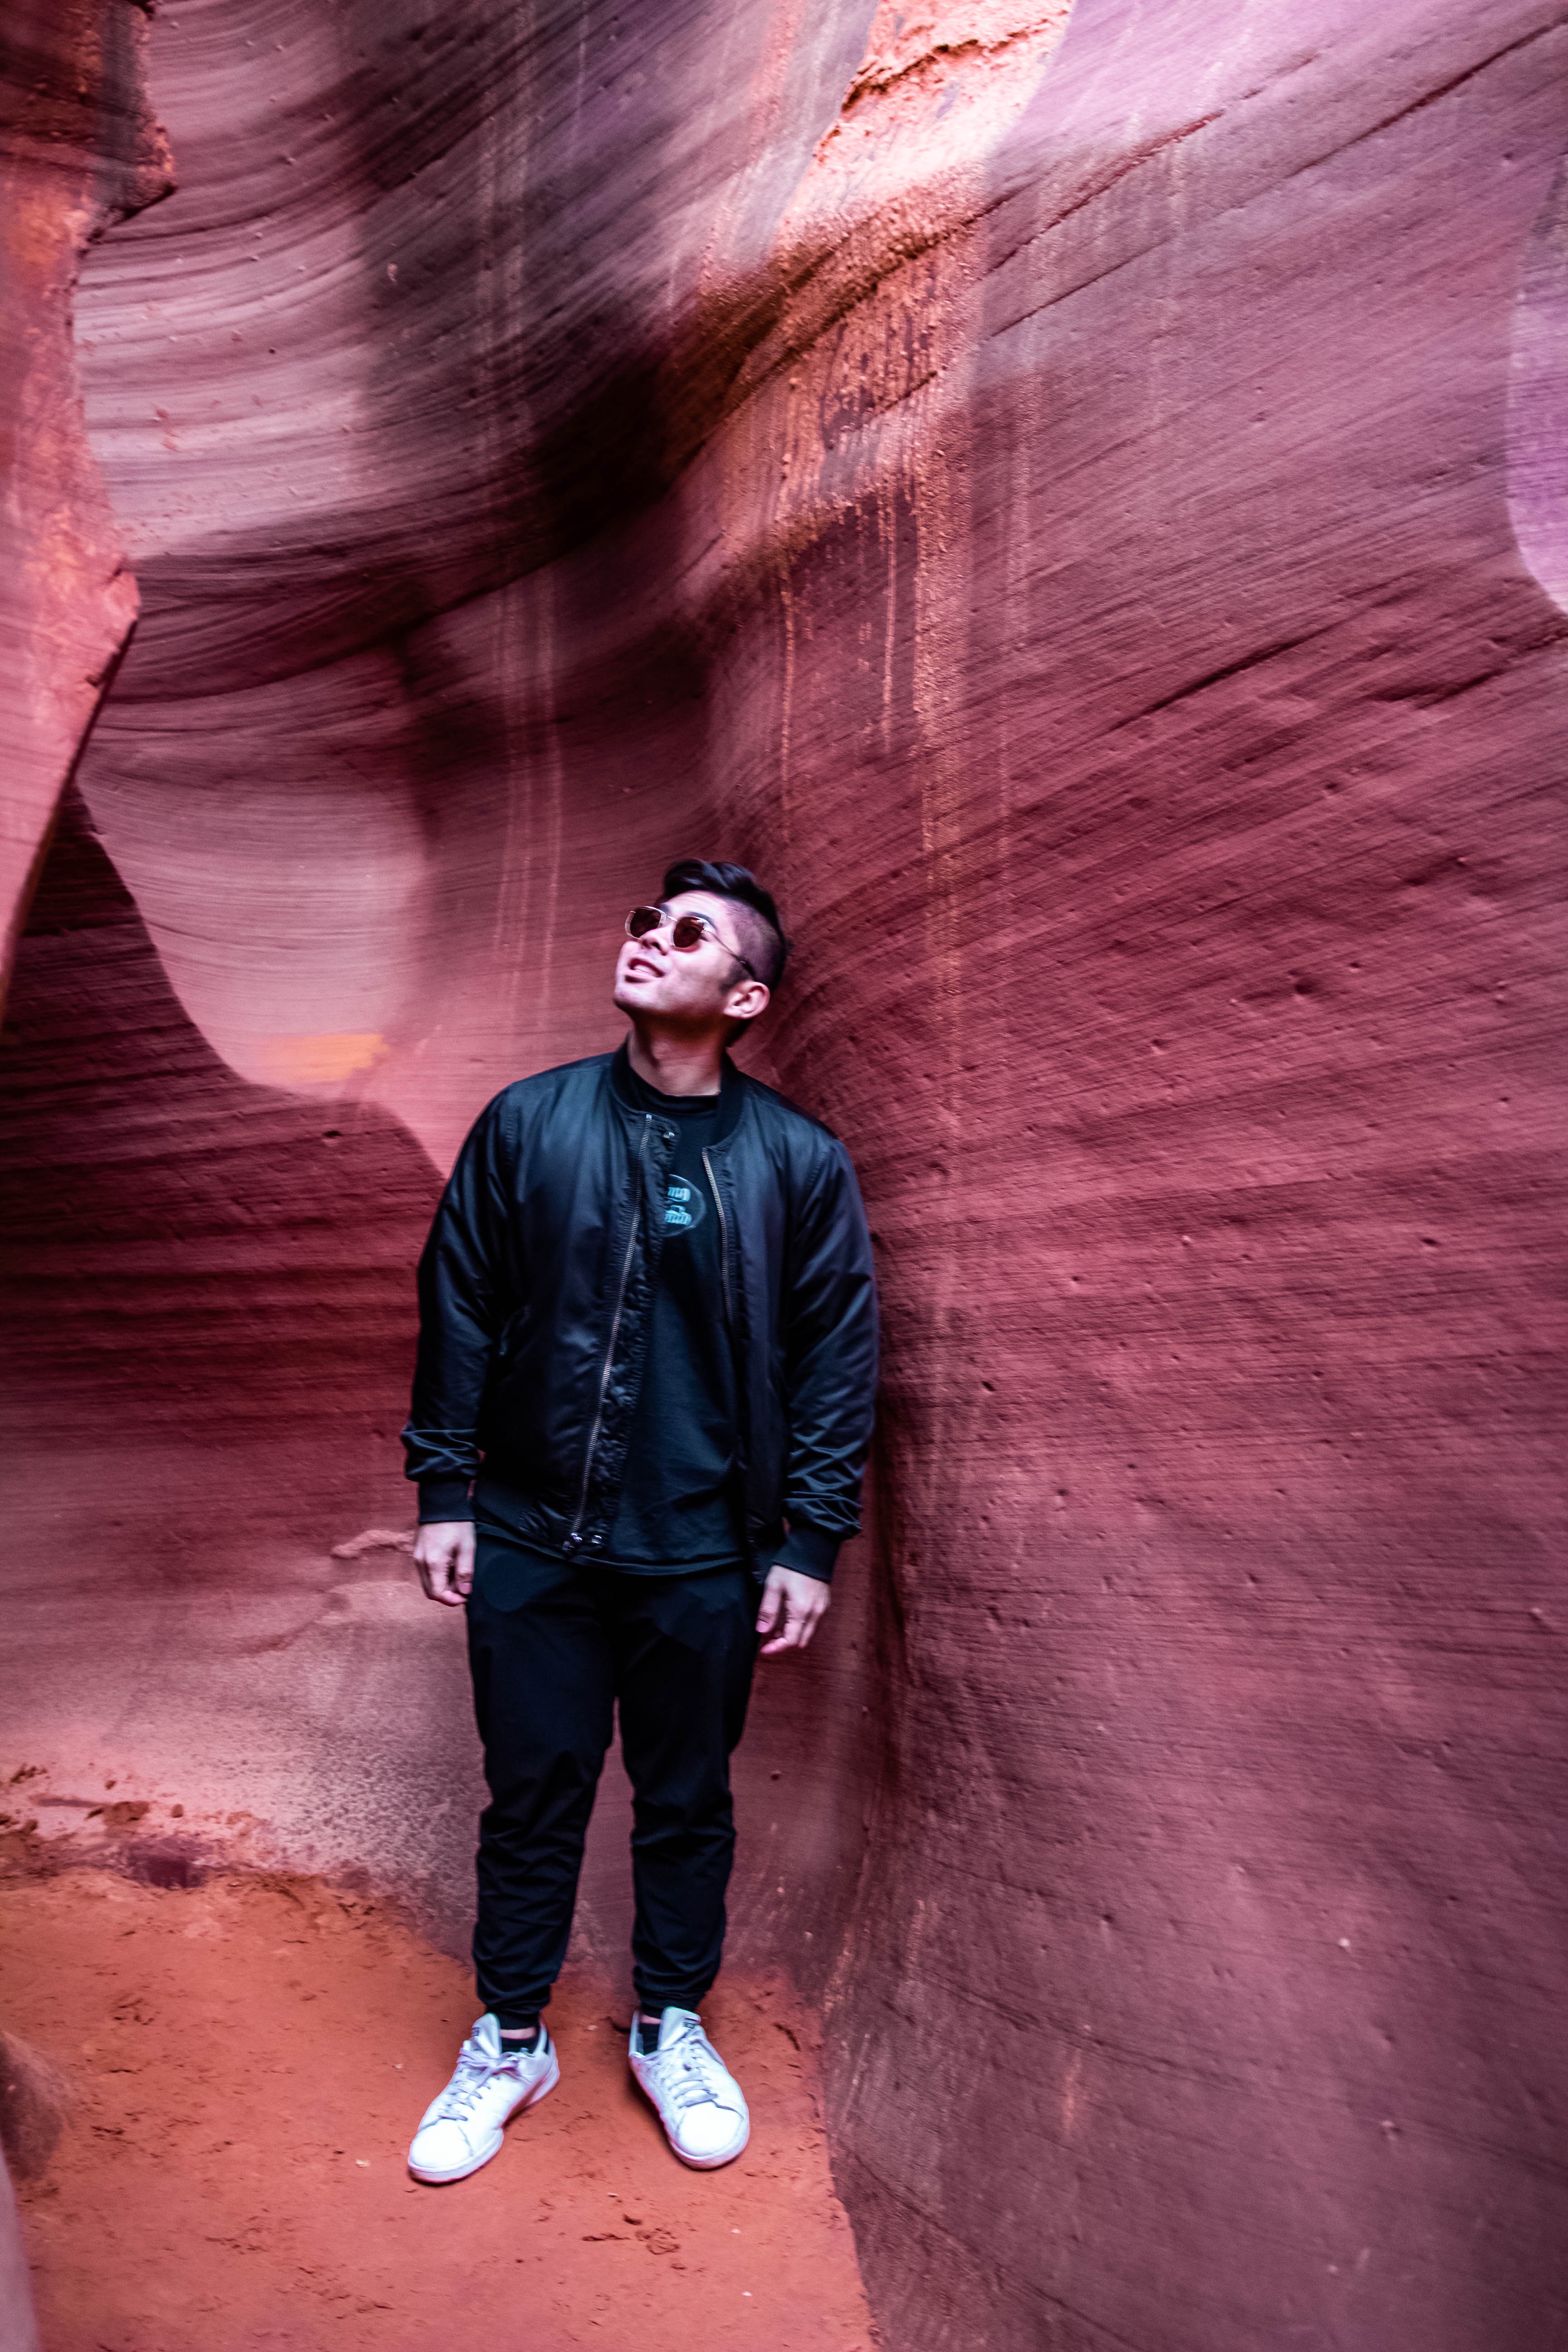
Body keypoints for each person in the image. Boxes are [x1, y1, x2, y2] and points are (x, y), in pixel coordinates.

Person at [400, 859, 878, 2182]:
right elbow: (460, 1302)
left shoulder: (798, 1163)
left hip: (706, 1552)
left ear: (746, 996)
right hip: (531, 1538)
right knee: (531, 1796)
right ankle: (510, 2041)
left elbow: (838, 1358)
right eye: (645, 923)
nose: (650, 941)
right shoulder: (530, 1121)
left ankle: (671, 2026)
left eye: (689, 934)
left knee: (686, 1801)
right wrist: (444, 1490)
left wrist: (811, 1539)